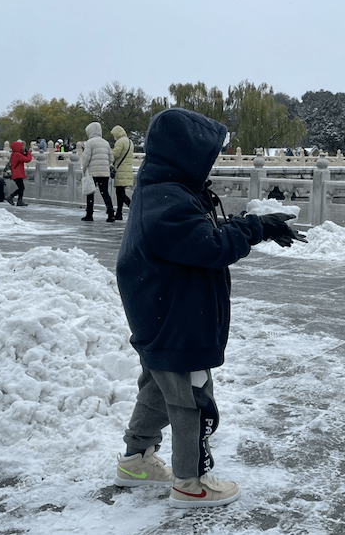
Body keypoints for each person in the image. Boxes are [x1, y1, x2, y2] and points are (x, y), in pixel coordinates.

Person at [113, 108, 303, 508]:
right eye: (207, 155)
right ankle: (190, 482)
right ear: (186, 153)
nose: (210, 163)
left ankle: (135, 461)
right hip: (179, 319)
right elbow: (211, 247)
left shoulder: (164, 188)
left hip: (162, 314)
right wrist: (257, 226)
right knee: (193, 399)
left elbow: (199, 235)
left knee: (158, 389)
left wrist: (256, 227)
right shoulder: (169, 199)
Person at [80, 122, 115, 222]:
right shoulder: (106, 142)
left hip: (93, 172)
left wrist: (84, 168)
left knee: (90, 193)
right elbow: (111, 158)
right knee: (105, 193)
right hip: (104, 173)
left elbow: (86, 158)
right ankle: (111, 213)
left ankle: (89, 214)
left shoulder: (90, 143)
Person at [111, 125, 134, 220]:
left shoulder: (120, 142)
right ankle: (119, 213)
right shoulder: (129, 141)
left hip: (120, 169)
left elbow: (116, 154)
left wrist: (109, 151)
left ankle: (133, 207)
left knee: (120, 193)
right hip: (127, 168)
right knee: (121, 191)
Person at [6, 140, 33, 206]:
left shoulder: (14, 154)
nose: (22, 148)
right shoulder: (17, 155)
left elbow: (23, 158)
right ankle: (11, 197)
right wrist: (29, 153)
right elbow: (27, 159)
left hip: (15, 173)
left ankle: (19, 200)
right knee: (21, 188)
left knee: (21, 187)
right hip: (17, 174)